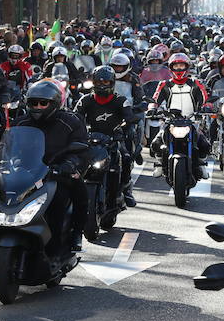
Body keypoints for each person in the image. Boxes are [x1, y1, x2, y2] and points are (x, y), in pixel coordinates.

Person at [13, 79, 89, 251]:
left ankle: (76, 233)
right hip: (26, 175)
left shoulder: (71, 122)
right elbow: (6, 146)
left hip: (57, 175)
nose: (38, 107)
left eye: (43, 103)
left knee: (78, 192)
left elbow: (81, 150)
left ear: (54, 103)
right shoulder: (21, 122)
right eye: (34, 103)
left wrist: (70, 165)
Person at [74, 65, 137, 206]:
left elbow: (129, 117)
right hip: (91, 140)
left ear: (112, 83)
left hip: (114, 139)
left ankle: (126, 189)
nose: (102, 85)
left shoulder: (120, 100)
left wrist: (129, 124)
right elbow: (75, 118)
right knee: (73, 161)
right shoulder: (85, 100)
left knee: (126, 158)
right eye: (98, 82)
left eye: (106, 82)